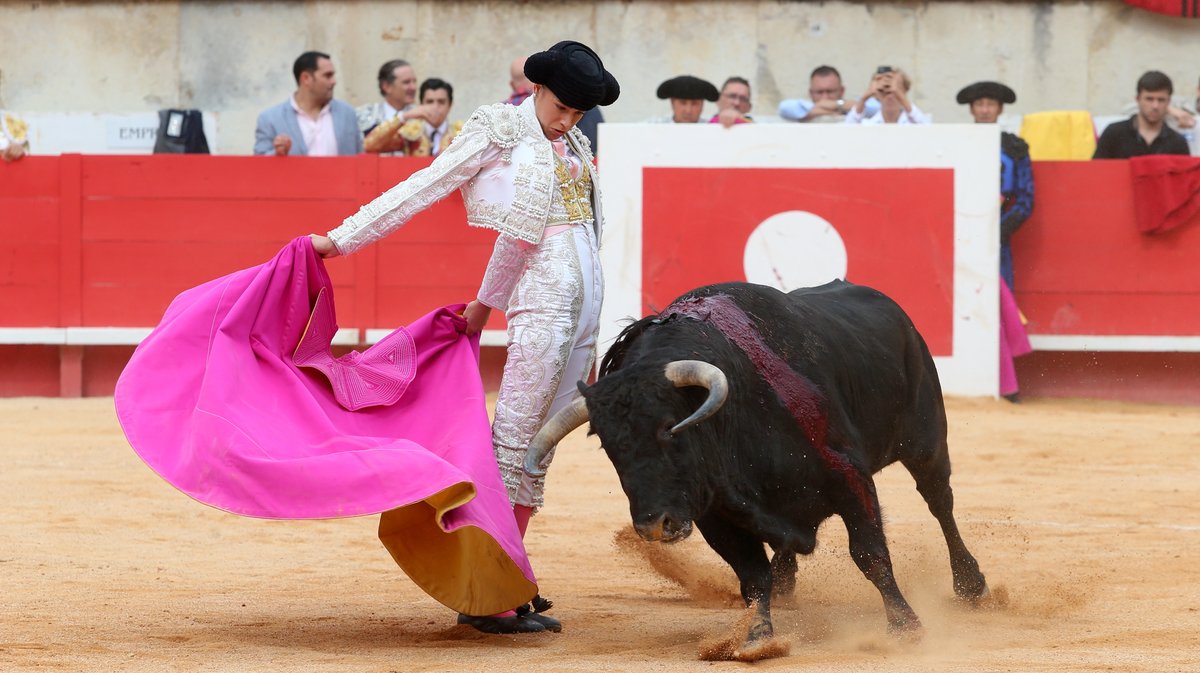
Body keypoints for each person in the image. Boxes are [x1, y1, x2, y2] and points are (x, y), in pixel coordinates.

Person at [309, 40, 619, 634]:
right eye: (566, 106)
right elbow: (422, 187)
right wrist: (339, 241)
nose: (572, 119)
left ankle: (511, 575)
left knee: (540, 448)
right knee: (512, 442)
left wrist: (481, 305)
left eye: (582, 111)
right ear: (538, 88)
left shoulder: (572, 141)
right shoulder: (499, 131)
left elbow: (521, 235)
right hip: (544, 308)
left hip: (584, 313)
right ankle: (483, 593)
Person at [958, 81, 1035, 402]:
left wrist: (995, 233)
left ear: (1000, 109)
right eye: (980, 104)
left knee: (996, 307)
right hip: (959, 239)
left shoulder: (1015, 148)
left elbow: (1025, 199)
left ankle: (1005, 385)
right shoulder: (956, 143)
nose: (985, 110)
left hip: (996, 243)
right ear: (972, 109)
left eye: (991, 104)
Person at [254, 51, 363, 156]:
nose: (334, 81)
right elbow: (258, 165)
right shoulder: (270, 119)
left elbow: (361, 158)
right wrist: (278, 154)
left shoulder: (347, 114)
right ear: (306, 78)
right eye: (328, 75)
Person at [1095, 71, 1191, 159]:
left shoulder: (1177, 143)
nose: (1155, 106)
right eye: (1149, 99)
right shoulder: (1114, 134)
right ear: (1138, 99)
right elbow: (1095, 171)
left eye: (1161, 100)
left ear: (1168, 101)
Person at [370, 78, 463, 157]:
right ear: (421, 104)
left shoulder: (462, 135)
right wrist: (404, 116)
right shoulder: (409, 134)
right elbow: (371, 145)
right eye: (430, 102)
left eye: (441, 102)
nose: (435, 107)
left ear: (450, 105)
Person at [779, 65, 879, 123]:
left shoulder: (855, 110)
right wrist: (829, 111)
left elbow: (877, 108)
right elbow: (784, 108)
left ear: (842, 91)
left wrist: (838, 104)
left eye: (830, 91)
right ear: (810, 93)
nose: (825, 97)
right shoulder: (806, 109)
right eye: (819, 92)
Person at [845, 67, 930, 125]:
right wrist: (865, 98)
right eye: (884, 89)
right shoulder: (869, 124)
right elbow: (847, 130)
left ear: (905, 90)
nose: (890, 94)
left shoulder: (913, 121)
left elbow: (928, 130)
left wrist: (900, 96)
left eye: (897, 87)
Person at [646, 75, 718, 123]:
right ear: (672, 103)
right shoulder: (654, 126)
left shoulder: (712, 127)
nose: (688, 111)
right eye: (683, 103)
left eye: (694, 104)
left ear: (702, 105)